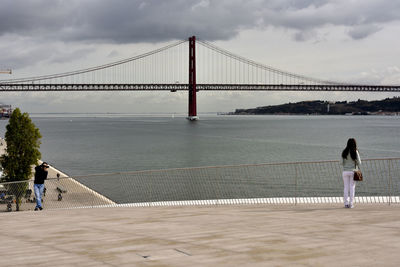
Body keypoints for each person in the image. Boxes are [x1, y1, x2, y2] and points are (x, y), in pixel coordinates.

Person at [341, 138, 361, 209]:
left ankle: (346, 203)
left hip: (345, 172)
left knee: (346, 187)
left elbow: (341, 163)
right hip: (353, 171)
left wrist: (346, 164)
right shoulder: (355, 151)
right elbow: (359, 162)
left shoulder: (344, 152)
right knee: (352, 187)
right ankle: (351, 204)